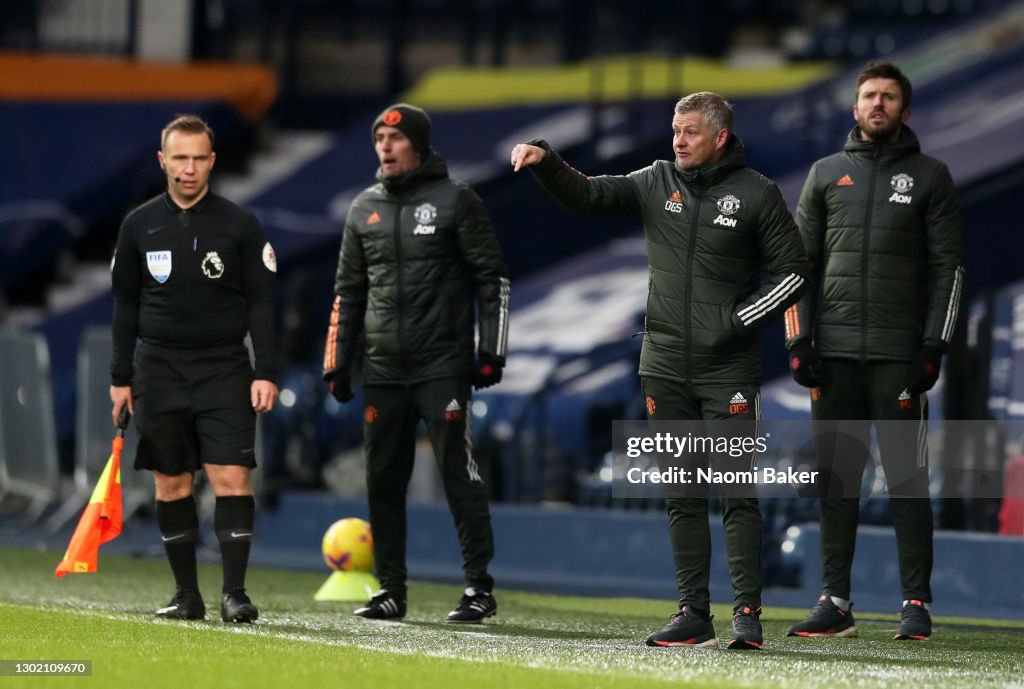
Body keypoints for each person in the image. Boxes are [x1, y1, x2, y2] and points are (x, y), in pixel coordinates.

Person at [511, 92, 809, 650]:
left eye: (690, 131)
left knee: (735, 491)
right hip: (665, 366)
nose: (678, 140)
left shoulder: (758, 194)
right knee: (683, 493)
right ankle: (694, 612)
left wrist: (734, 321)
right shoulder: (655, 181)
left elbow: (793, 275)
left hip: (728, 371)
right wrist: (547, 161)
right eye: (675, 130)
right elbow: (589, 194)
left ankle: (747, 614)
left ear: (720, 137)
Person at [784, 60, 964, 641]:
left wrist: (934, 345)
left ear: (905, 111)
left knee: (908, 480)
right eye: (869, 96)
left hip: (898, 355)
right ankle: (835, 600)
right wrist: (798, 340)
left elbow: (949, 271)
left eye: (888, 97)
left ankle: (916, 602)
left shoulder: (931, 175)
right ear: (855, 107)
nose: (878, 104)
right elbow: (795, 268)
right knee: (837, 480)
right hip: (832, 354)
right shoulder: (824, 174)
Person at [322, 103, 510, 623]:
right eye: (379, 137)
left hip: (441, 365)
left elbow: (492, 280)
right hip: (382, 369)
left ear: (419, 146)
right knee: (382, 480)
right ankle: (390, 591)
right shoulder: (363, 209)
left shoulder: (457, 201)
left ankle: (478, 588)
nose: (384, 146)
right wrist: (337, 362)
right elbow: (347, 293)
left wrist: (491, 352)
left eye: (395, 138)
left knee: (458, 473)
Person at [110, 114, 279, 623]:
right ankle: (187, 595)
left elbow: (262, 304)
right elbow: (125, 307)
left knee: (231, 476)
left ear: (212, 161)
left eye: (198, 158)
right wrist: (121, 377)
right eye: (179, 158)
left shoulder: (240, 224)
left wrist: (265, 370)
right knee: (171, 483)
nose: (189, 168)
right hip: (157, 371)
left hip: (225, 368)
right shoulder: (138, 225)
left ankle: (235, 594)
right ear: (163, 161)